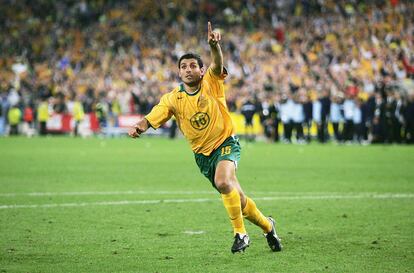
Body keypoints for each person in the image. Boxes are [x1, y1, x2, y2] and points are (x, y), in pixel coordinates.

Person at [128, 22, 282, 254]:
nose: (188, 69)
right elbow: (154, 115)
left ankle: (240, 234)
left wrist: (214, 46)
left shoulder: (211, 82)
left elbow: (217, 64)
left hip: (226, 143)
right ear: (179, 72)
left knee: (223, 181)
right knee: (238, 200)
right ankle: (269, 227)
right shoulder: (173, 98)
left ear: (201, 70)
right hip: (202, 156)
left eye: (193, 66)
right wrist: (141, 125)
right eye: (184, 66)